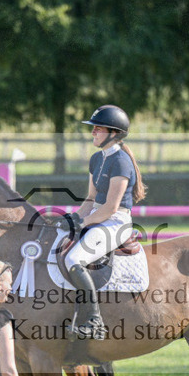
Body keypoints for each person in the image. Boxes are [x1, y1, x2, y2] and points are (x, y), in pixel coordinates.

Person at [66, 105, 147, 339]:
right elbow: (90, 199)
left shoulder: (121, 162)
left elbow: (111, 207)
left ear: (113, 132)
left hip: (116, 222)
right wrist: (75, 218)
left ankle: (95, 321)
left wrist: (83, 224)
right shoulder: (96, 159)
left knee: (74, 258)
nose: (93, 133)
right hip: (98, 216)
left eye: (97, 129)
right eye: (93, 129)